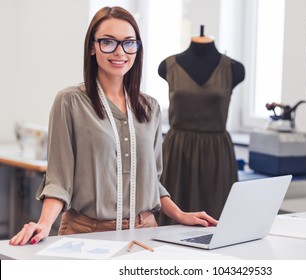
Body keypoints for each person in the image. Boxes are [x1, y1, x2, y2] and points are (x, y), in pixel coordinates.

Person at [9, 6, 216, 246]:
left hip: (145, 231)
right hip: (87, 233)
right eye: (108, 42)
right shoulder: (70, 101)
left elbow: (152, 182)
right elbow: (59, 181)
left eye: (129, 43)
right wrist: (44, 224)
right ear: (91, 47)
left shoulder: (150, 107)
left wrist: (180, 214)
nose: (120, 52)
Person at [157, 29, 245, 225]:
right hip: (178, 151)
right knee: (173, 214)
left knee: (218, 215)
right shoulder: (168, 66)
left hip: (215, 153)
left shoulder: (233, 69)